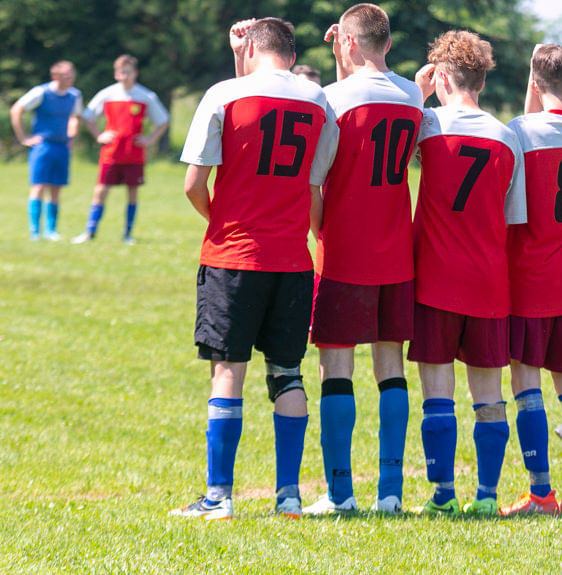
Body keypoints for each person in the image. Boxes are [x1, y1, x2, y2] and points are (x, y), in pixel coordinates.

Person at [170, 17, 339, 520]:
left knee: (229, 370)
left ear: (249, 47)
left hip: (234, 256)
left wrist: (217, 217)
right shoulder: (318, 100)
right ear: (290, 51)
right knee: (287, 372)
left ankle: (218, 497)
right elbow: (316, 182)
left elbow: (193, 185)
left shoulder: (224, 93)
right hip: (292, 259)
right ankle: (288, 496)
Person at [303, 3, 423, 516]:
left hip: (346, 249)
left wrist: (321, 229)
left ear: (346, 43)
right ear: (388, 44)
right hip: (397, 247)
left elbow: (316, 180)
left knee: (337, 368)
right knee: (389, 367)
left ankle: (340, 493)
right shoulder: (414, 95)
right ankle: (391, 494)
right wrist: (342, 55)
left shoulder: (333, 98)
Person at [409, 30, 526, 516]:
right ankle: (487, 496)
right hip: (488, 280)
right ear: (481, 78)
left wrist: (416, 92)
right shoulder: (506, 136)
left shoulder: (428, 125)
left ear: (440, 77)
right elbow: (513, 217)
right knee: (488, 395)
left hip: (434, 276)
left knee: (437, 391)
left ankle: (442, 497)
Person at [499, 44, 562, 516]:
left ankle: (541, 493)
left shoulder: (520, 129)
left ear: (534, 85)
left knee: (526, 384)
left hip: (526, 276)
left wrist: (530, 79)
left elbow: (526, 125)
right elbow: (544, 118)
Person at [72, 54, 169, 244]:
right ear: (116, 74)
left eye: (128, 72)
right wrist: (99, 135)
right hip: (111, 153)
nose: (125, 76)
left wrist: (150, 139)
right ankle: (90, 231)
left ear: (135, 73)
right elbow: (87, 116)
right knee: (100, 190)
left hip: (134, 154)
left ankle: (128, 233)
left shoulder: (146, 96)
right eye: (121, 73)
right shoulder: (107, 94)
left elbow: (163, 120)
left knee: (132, 192)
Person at [10, 61, 83, 241]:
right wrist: (24, 138)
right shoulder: (41, 92)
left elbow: (75, 116)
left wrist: (72, 135)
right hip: (43, 146)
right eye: (67, 76)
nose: (70, 79)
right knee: (39, 186)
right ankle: (35, 231)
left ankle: (52, 230)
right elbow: (17, 110)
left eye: (72, 75)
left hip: (62, 146)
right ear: (56, 77)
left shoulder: (75, 95)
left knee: (56, 188)